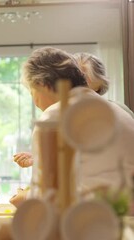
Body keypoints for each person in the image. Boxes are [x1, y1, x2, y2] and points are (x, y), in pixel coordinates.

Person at [9, 47, 134, 207]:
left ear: (42, 85)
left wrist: (25, 197)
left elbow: (47, 197)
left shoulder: (53, 117)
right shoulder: (119, 111)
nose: (36, 103)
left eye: (32, 92)